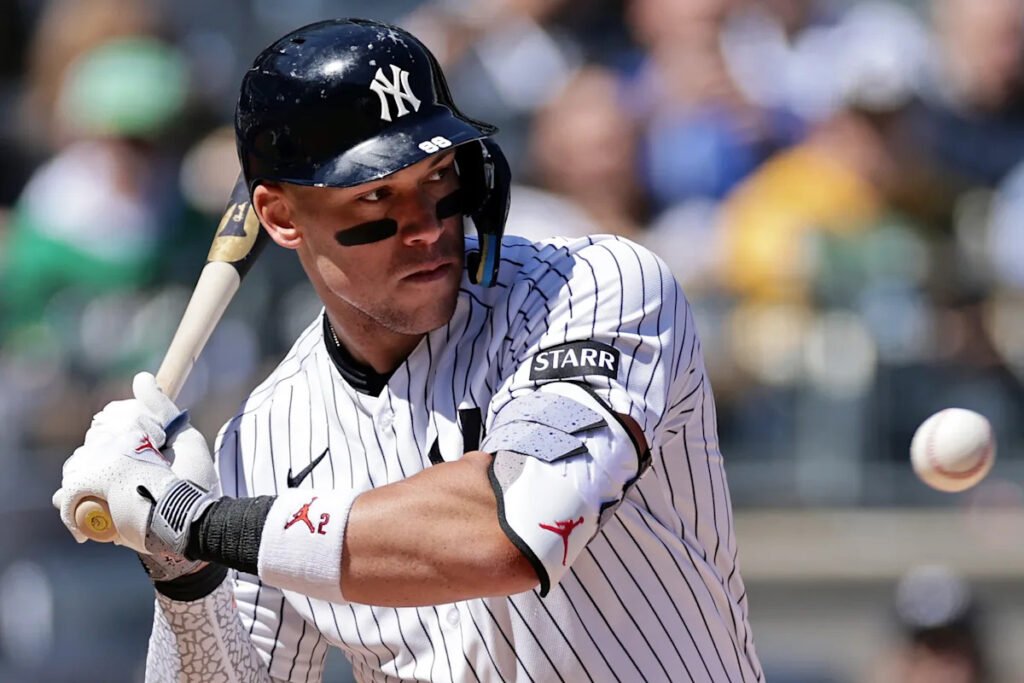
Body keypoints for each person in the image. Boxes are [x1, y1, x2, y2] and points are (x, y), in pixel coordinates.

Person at [53, 18, 762, 682]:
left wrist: (199, 521)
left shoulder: (598, 289)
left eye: (437, 177)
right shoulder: (266, 436)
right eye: (376, 197)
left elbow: (516, 526)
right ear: (278, 216)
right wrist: (182, 569)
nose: (425, 226)